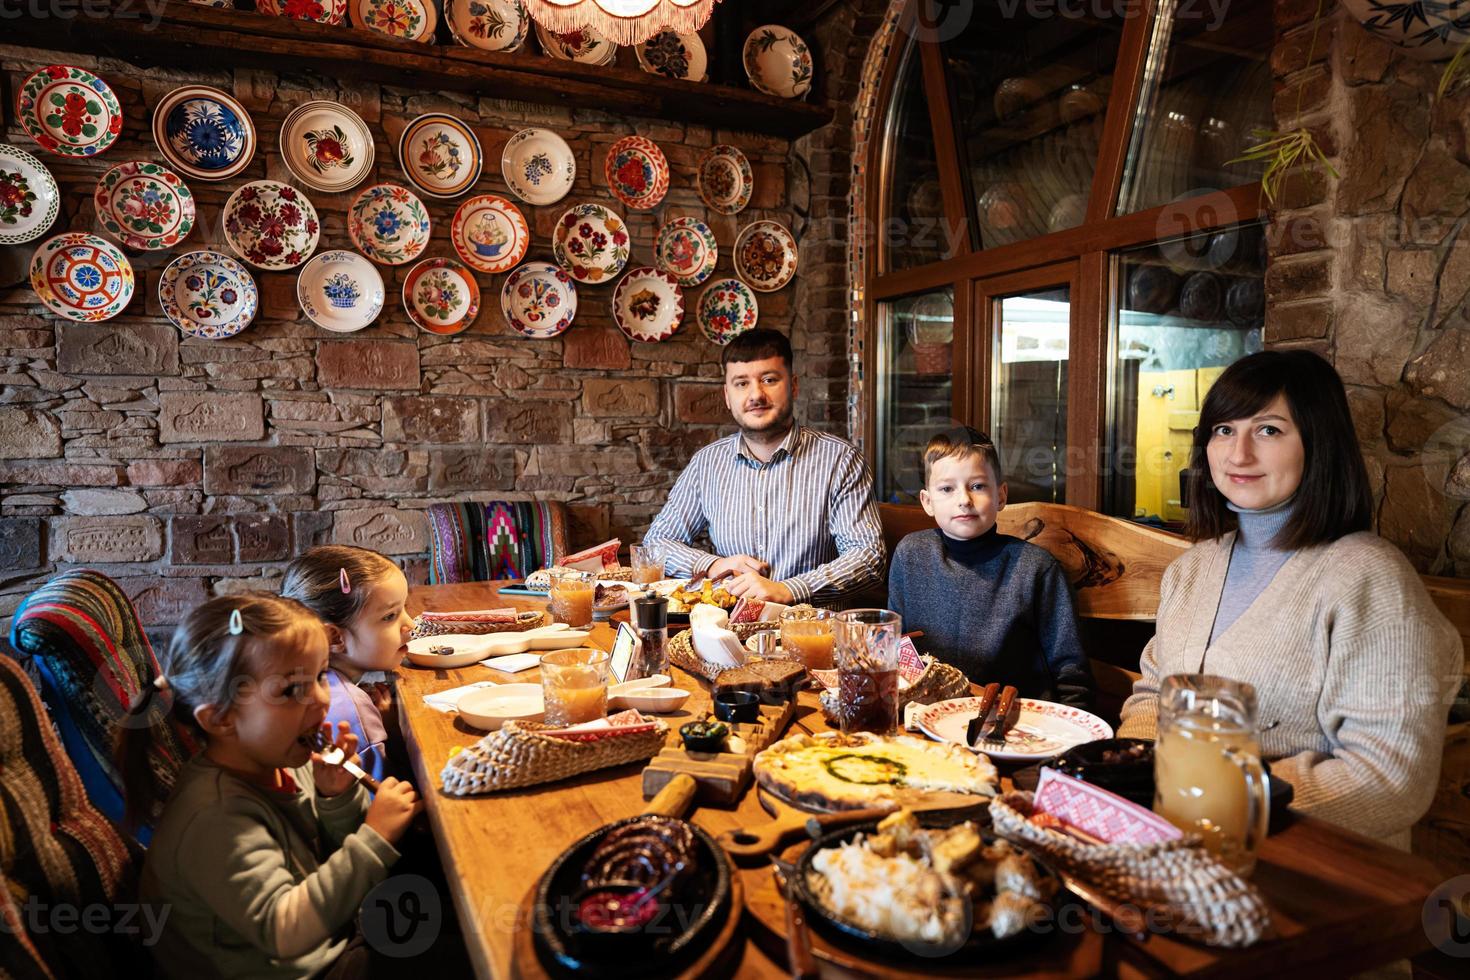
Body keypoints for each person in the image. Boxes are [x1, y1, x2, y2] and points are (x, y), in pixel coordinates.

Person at [1118, 350, 1463, 847]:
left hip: (1315, 866)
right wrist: (1129, 781)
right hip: (1178, 842)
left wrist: (1216, 804)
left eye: (1269, 430)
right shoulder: (1192, 569)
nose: (1238, 455)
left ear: (1318, 444)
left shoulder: (1368, 576)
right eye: (1223, 430)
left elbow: (1390, 778)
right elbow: (1155, 696)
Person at [119, 593, 421, 979]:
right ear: (220, 719)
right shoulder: (215, 819)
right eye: (290, 690)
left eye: (319, 676)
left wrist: (336, 799)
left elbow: (325, 856)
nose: (320, 700)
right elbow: (286, 931)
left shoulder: (283, 761)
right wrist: (374, 838)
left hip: (338, 940)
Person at [643, 328, 885, 605]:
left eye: (769, 380)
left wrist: (789, 589)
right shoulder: (707, 464)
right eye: (741, 383)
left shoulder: (840, 460)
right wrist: (712, 565)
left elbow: (868, 558)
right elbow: (655, 543)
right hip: (727, 633)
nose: (755, 394)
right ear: (727, 395)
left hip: (811, 635)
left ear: (793, 386)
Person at [887, 426, 1092, 707]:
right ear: (927, 501)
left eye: (978, 486)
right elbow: (894, 646)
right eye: (947, 489)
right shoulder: (911, 554)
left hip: (1014, 720)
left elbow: (1071, 675)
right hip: (924, 713)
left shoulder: (1036, 569)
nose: (964, 500)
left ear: (1002, 496)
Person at [282, 545, 415, 785]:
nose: (411, 624)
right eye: (389, 616)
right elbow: (394, 797)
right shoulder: (353, 713)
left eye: (404, 608)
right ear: (335, 638)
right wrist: (396, 733)